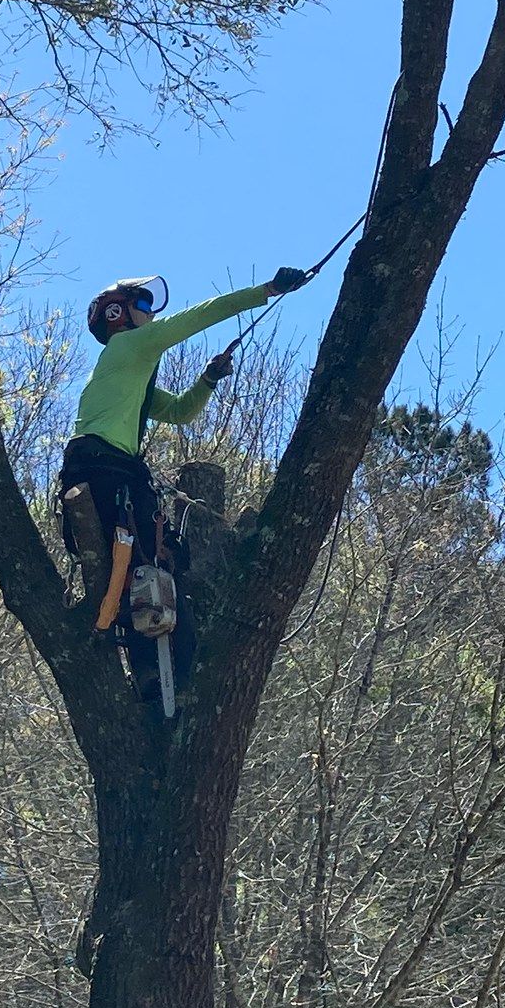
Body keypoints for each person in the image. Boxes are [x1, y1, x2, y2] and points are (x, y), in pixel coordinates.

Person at [58, 269, 307, 692]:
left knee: (151, 561)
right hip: (104, 466)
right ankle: (152, 658)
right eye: (142, 305)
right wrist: (266, 290)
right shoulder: (127, 347)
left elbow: (179, 412)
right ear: (119, 314)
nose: (150, 315)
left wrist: (207, 380)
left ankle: (149, 663)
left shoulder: (130, 371)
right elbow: (196, 318)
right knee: (143, 560)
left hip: (107, 467)